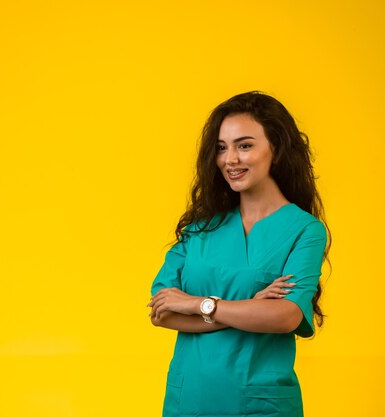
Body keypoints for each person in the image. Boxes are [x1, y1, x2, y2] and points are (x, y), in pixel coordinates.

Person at [147, 91, 331, 417]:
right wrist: (250, 309)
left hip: (260, 404)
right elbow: (162, 312)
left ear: (276, 148)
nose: (229, 159)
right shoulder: (200, 229)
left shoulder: (304, 230)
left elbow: (286, 316)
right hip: (189, 400)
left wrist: (198, 304)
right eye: (221, 148)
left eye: (244, 145)